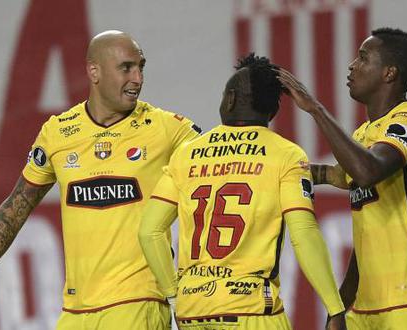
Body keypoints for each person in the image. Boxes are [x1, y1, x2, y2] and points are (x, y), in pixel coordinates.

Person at [0, 30, 201, 330]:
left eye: (141, 67)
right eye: (126, 67)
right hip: (75, 312)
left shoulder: (167, 128)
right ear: (94, 71)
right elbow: (18, 202)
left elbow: (217, 164)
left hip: (137, 305)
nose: (138, 78)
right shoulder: (58, 132)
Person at [138, 53, 346, 330]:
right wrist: (335, 308)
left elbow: (149, 232)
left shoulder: (187, 154)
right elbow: (304, 234)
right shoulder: (285, 154)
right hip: (252, 311)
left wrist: (175, 297)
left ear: (231, 99)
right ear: (272, 112)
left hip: (193, 312)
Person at [277, 27, 407, 329]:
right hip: (367, 307)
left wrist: (316, 109)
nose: (352, 65)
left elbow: (367, 172)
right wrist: (341, 304)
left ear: (389, 73)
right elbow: (356, 205)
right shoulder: (363, 136)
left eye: (363, 58)